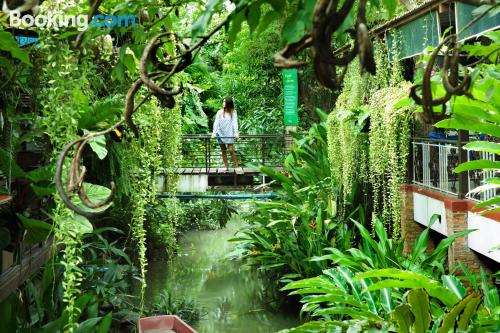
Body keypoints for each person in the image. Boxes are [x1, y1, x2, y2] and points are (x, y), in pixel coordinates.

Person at [211, 97, 239, 170]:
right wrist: (214, 132)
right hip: (220, 133)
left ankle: (236, 166)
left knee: (231, 150)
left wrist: (236, 132)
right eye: (223, 101)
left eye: (225, 102)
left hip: (229, 133)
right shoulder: (219, 112)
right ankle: (226, 167)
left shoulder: (233, 112)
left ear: (229, 103)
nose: (223, 103)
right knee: (223, 151)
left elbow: (234, 122)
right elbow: (216, 122)